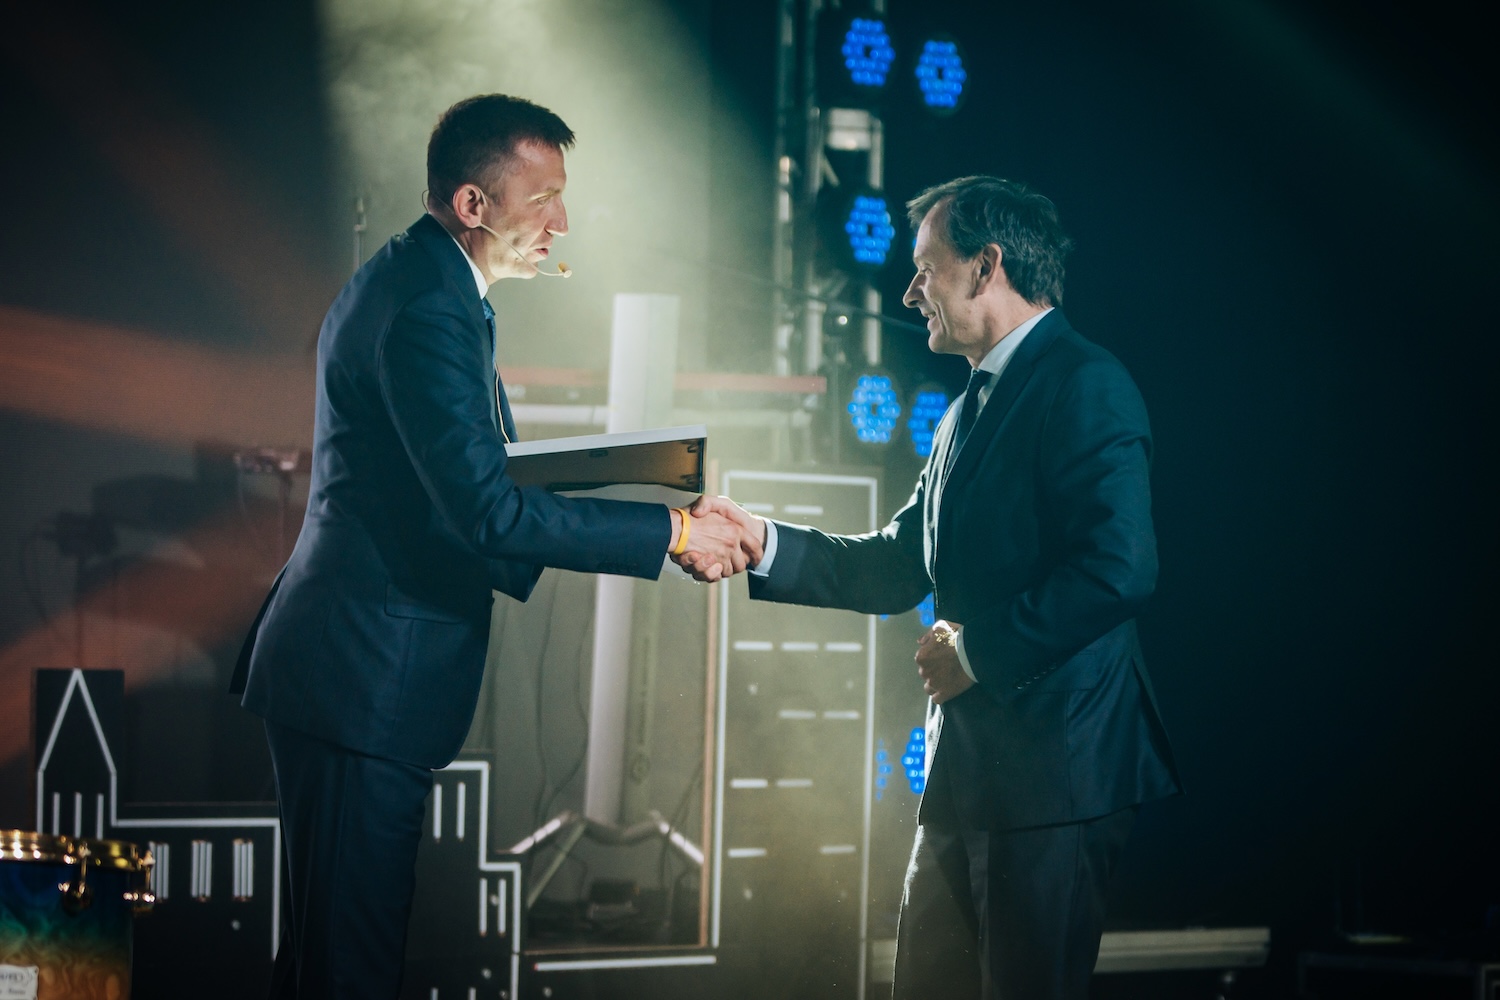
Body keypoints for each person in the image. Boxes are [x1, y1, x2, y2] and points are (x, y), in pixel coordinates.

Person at [230, 94, 760, 999]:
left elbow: (478, 477)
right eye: (544, 198)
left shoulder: (425, 281)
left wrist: (645, 476)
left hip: (350, 672)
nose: (562, 222)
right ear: (473, 204)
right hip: (362, 679)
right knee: (347, 974)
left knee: (327, 965)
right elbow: (487, 512)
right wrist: (670, 530)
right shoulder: (429, 308)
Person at [689, 177, 1181, 999]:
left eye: (925, 268)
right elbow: (895, 564)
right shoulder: (964, 411)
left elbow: (1119, 567)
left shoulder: (1085, 382)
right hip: (970, 775)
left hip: (1057, 777)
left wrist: (974, 653)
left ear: (986, 266)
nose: (910, 291)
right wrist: (760, 542)